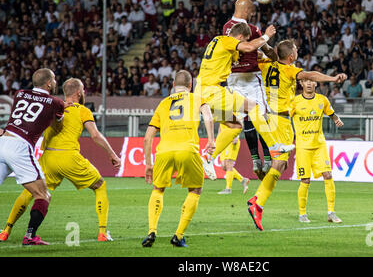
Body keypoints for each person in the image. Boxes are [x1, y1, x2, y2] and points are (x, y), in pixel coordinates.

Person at [0, 78, 121, 243]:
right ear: (79, 92)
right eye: (83, 90)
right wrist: (112, 154)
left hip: (48, 158)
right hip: (69, 157)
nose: (84, 93)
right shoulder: (83, 110)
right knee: (100, 185)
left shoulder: (52, 106)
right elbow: (95, 135)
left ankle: (6, 230)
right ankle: (102, 233)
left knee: (32, 192)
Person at [247, 40, 347, 231]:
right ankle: (257, 202)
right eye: (296, 50)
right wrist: (333, 79)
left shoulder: (267, 64)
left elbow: (261, 54)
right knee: (280, 163)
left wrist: (264, 46)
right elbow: (311, 74)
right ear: (291, 57)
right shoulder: (289, 70)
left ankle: (258, 199)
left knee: (281, 163)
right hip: (281, 121)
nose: (298, 51)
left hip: (266, 117)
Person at [196, 23, 297, 183]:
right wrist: (266, 36)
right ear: (241, 37)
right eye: (245, 39)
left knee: (235, 126)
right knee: (253, 106)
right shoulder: (226, 40)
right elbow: (249, 47)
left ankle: (208, 157)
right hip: (212, 91)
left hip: (201, 93)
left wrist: (262, 56)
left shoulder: (216, 42)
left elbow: (246, 54)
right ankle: (274, 147)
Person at [141, 70, 215, 248]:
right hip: (187, 150)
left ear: (173, 86)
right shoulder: (196, 98)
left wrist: (148, 164)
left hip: (164, 151)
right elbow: (208, 116)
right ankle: (178, 235)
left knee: (158, 189)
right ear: (191, 86)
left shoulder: (163, 103)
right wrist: (211, 140)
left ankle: (151, 231)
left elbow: (147, 137)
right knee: (195, 190)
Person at [0, 69, 67, 246]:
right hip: (20, 146)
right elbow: (58, 126)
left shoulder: (20, 93)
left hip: (3, 140)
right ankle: (30, 236)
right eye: (53, 79)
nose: (55, 82)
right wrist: (64, 108)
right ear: (49, 83)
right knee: (43, 195)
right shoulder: (57, 103)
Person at [223, 0, 278, 179]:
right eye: (252, 11)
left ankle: (255, 159)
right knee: (261, 117)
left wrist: (260, 51)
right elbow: (264, 49)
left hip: (232, 77)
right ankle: (269, 157)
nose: (253, 14)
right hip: (251, 78)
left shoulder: (226, 28)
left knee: (245, 119)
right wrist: (269, 42)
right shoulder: (253, 30)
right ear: (247, 11)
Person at [293, 78, 344, 224]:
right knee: (305, 180)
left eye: (312, 81)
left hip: (319, 145)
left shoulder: (322, 100)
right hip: (303, 146)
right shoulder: (295, 102)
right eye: (306, 81)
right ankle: (302, 214)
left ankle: (331, 213)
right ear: (301, 84)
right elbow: (284, 118)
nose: (309, 83)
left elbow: (331, 112)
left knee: (328, 175)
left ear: (316, 84)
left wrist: (336, 119)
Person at [217, 127, 250, 195]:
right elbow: (220, 127)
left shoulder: (231, 116)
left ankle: (228, 189)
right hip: (224, 142)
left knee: (229, 164)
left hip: (232, 141)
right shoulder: (220, 117)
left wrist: (235, 136)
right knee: (224, 166)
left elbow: (237, 124)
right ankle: (243, 180)